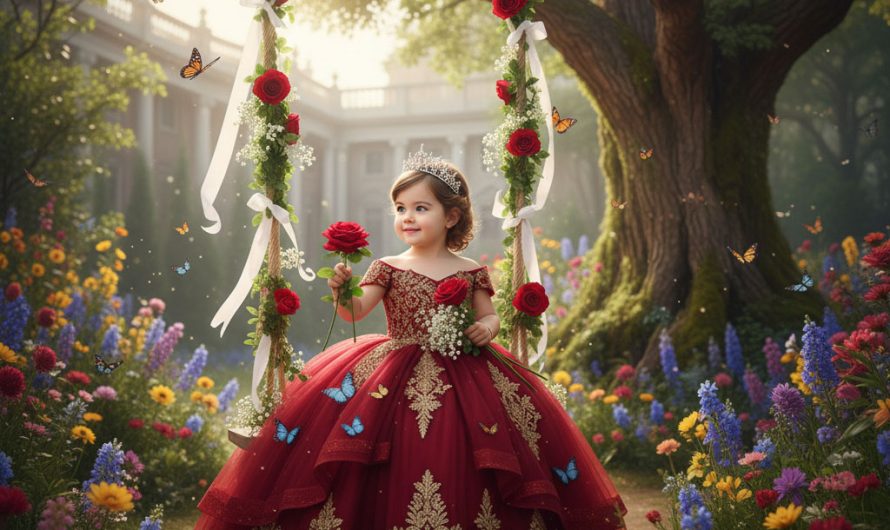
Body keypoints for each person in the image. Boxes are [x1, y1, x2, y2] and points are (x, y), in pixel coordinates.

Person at [195, 149, 627, 529]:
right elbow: (355, 312)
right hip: (390, 372)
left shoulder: (471, 270)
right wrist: (342, 290)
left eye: (421, 208)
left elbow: (489, 315)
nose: (407, 217)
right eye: (400, 208)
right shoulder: (387, 266)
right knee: (375, 452)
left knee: (469, 452)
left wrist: (488, 328)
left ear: (451, 216)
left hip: (466, 373)